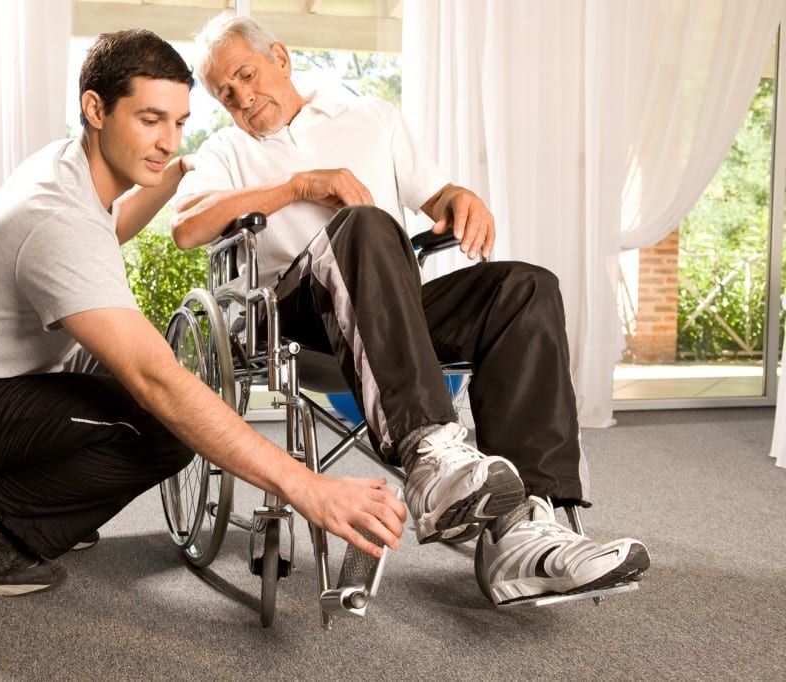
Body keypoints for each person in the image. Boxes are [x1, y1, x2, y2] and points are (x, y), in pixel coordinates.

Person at [0, 29, 406, 597]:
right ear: (95, 108)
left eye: (179, 122)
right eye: (150, 119)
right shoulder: (55, 219)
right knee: (163, 426)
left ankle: (37, 503)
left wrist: (176, 172)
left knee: (157, 395)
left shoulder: (69, 167)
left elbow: (114, 224)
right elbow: (156, 378)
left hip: (2, 382)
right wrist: (309, 488)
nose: (166, 139)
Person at [172, 13, 650, 606]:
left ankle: (525, 530)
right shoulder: (226, 150)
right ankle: (431, 455)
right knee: (365, 223)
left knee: (524, 287)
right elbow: (187, 227)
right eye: (226, 93)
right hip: (298, 319)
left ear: (282, 58)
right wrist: (298, 185)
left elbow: (436, 195)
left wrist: (458, 197)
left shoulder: (372, 118)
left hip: (391, 307)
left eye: (246, 75)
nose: (242, 97)